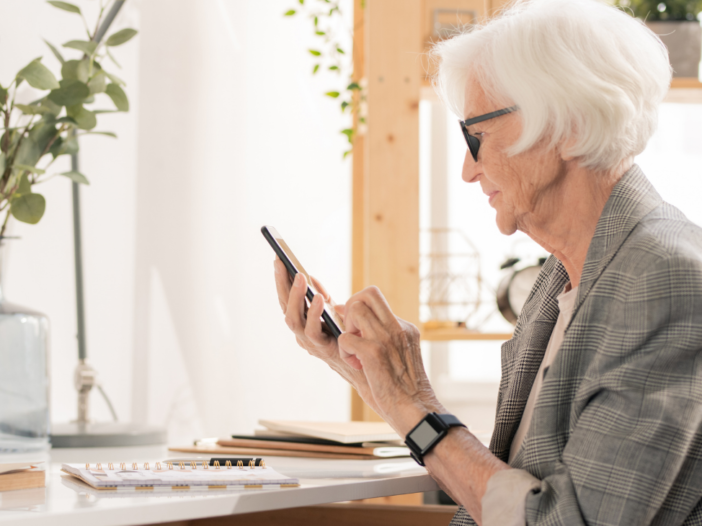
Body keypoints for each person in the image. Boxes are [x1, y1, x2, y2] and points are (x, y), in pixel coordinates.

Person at [272, 0, 702, 524]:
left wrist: (416, 404)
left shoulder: (667, 278)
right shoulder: (562, 277)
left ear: (565, 124)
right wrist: (372, 377)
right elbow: (512, 493)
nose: (467, 170)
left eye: (475, 135)